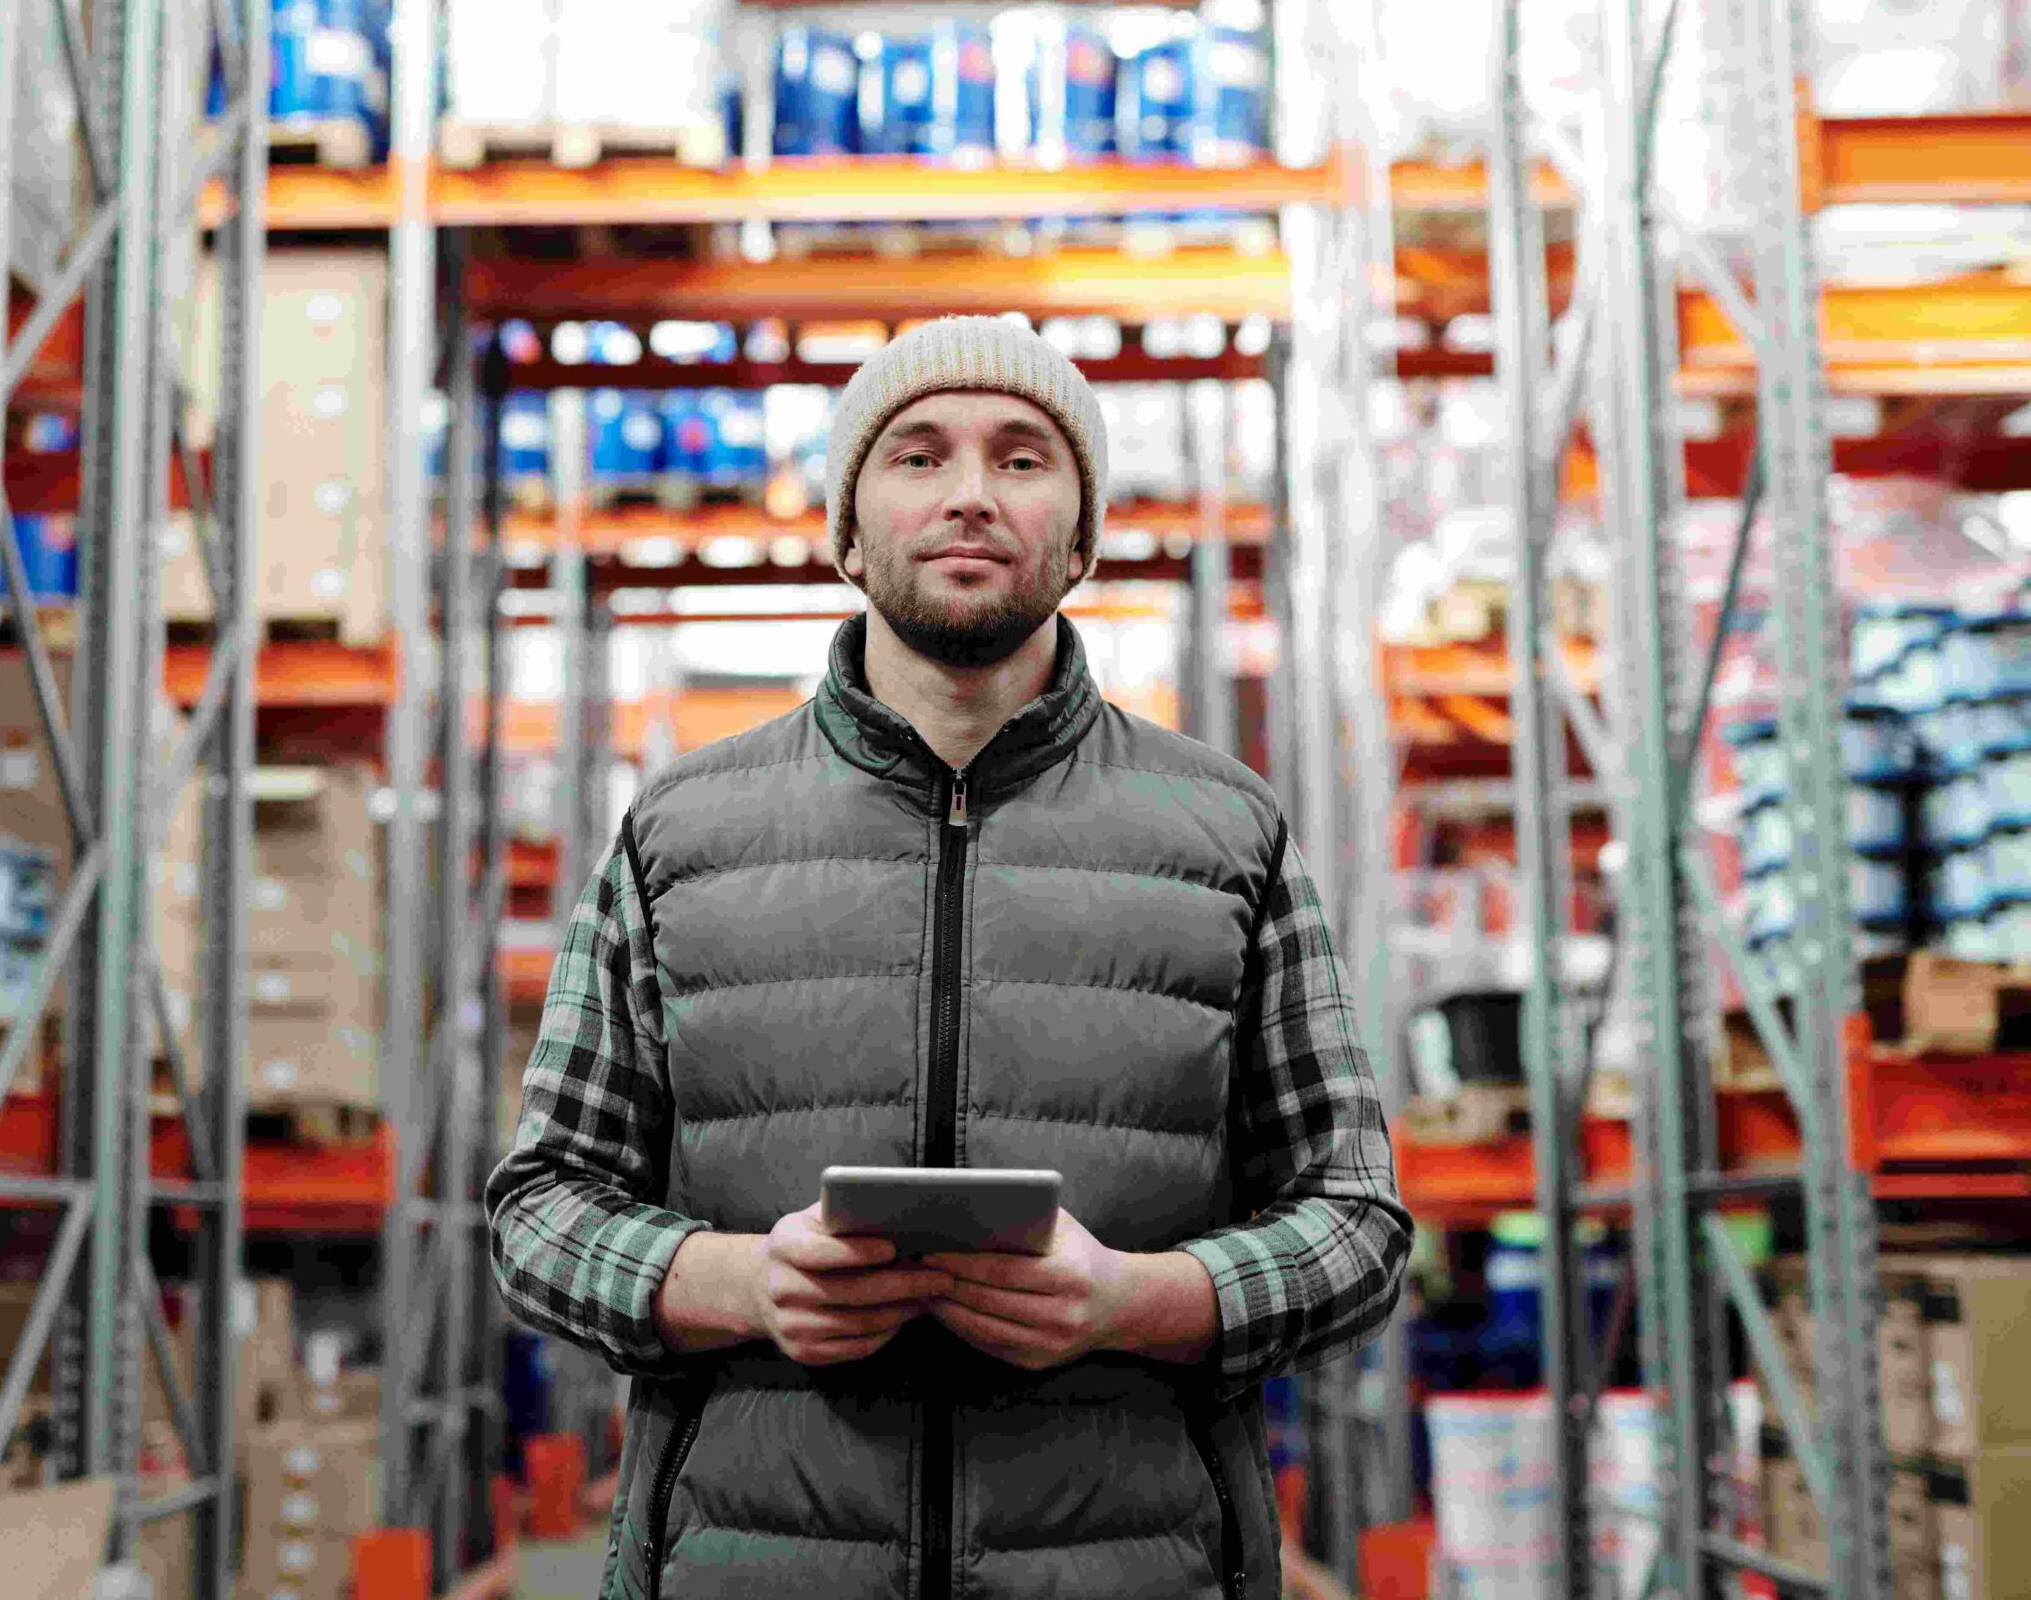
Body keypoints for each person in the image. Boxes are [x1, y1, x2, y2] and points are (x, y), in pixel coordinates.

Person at [486, 315, 1412, 1600]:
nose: (971, 494)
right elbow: (539, 1211)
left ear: (1081, 536)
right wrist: (743, 1285)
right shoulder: (677, 836)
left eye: (1023, 459)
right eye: (917, 456)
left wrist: (1135, 1301)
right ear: (848, 531)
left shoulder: (1226, 835)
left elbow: (1356, 1221)